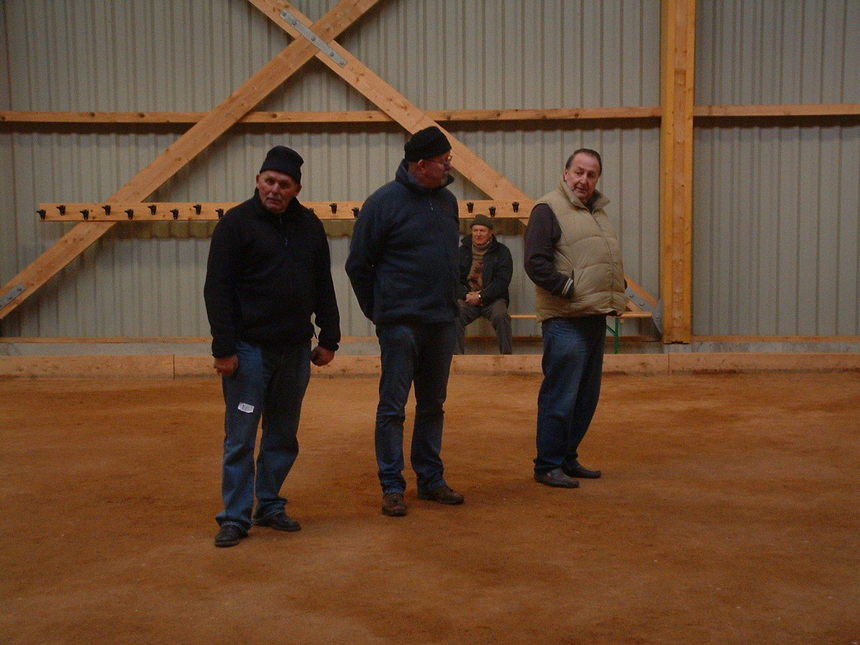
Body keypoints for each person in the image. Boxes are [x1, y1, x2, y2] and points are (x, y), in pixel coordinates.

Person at [204, 145, 341, 547]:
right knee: (242, 436)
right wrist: (223, 348)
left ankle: (269, 504)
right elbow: (217, 290)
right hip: (248, 352)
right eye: (269, 181)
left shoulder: (310, 226)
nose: (274, 190)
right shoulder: (235, 225)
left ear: (297, 188)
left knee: (283, 433)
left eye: (284, 184)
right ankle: (234, 516)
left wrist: (329, 337)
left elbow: (323, 285)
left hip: (295, 351)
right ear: (258, 180)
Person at [345, 126, 465, 517]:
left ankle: (430, 480)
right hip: (400, 324)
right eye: (443, 161)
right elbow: (358, 264)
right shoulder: (383, 203)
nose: (449, 166)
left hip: (441, 322)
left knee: (433, 405)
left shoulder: (449, 202)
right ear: (419, 165)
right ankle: (393, 485)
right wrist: (379, 311)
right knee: (393, 407)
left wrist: (452, 303)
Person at [524, 148, 626, 489]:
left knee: (585, 396)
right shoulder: (547, 208)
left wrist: (614, 286)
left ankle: (567, 457)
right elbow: (536, 263)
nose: (584, 180)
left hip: (593, 315)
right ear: (566, 173)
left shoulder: (597, 212)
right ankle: (548, 464)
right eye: (579, 172)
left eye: (591, 174)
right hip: (565, 319)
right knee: (561, 395)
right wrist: (569, 288)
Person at [456, 214, 513, 354]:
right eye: (475, 230)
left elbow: (502, 281)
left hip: (492, 299)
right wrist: (465, 294)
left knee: (501, 316)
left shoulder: (502, 252)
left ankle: (507, 358)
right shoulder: (461, 252)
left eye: (482, 230)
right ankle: (455, 359)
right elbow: (452, 279)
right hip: (467, 298)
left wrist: (481, 296)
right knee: (454, 315)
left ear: (490, 232)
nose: (478, 234)